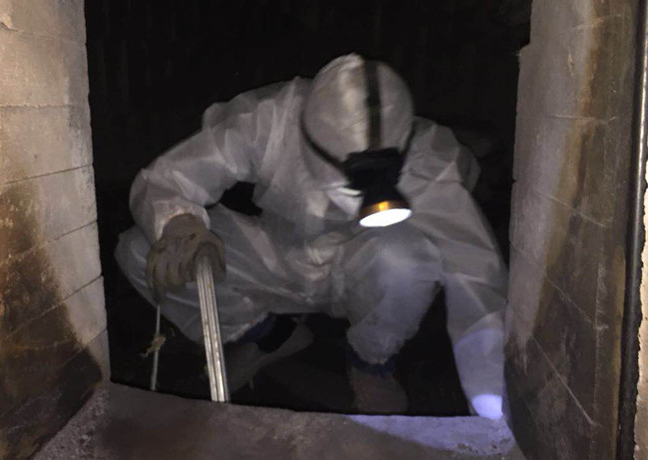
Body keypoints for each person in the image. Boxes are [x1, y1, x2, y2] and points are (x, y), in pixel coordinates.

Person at [115, 54, 508, 418]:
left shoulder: (428, 154)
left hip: (364, 267)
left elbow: (474, 270)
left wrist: (489, 396)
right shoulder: (270, 118)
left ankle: (370, 365)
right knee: (140, 250)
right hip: (279, 256)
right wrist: (180, 224)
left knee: (411, 260)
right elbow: (170, 178)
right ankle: (272, 336)